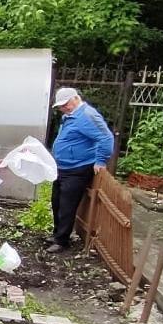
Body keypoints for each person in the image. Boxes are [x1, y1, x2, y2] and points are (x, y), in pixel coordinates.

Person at [47, 87, 114, 253]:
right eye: (61, 106)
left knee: (67, 205)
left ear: (76, 98)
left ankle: (62, 241)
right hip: (62, 167)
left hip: (78, 168)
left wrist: (100, 160)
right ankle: (57, 234)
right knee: (56, 201)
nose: (63, 108)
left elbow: (106, 137)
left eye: (66, 104)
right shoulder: (69, 116)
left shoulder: (87, 115)